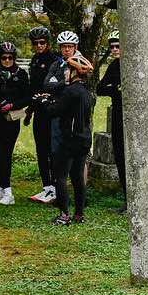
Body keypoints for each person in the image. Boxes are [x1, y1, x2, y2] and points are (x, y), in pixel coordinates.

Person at [44, 30, 95, 225]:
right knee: (77, 177)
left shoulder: (70, 91)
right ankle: (79, 214)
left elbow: (54, 111)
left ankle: (64, 215)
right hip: (84, 138)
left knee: (60, 176)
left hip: (69, 139)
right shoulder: (86, 93)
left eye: (69, 70)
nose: (66, 72)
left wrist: (44, 102)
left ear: (74, 71)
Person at [0, 41, 30, 205]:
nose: (7, 61)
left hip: (11, 120)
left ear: (14, 58)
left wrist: (12, 105)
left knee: (5, 154)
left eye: (10, 58)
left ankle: (8, 191)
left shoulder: (21, 74)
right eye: (4, 58)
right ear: (0, 58)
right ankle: (0, 190)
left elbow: (26, 97)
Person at [25, 26, 64, 204]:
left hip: (51, 109)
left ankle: (55, 187)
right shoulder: (35, 60)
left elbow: (57, 85)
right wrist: (29, 110)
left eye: (42, 42)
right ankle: (46, 186)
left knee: (51, 149)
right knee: (40, 149)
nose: (39, 46)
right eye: (35, 43)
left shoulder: (55, 60)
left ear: (48, 43)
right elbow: (32, 87)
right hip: (38, 110)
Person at [94, 33, 127, 213]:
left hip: (132, 115)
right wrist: (115, 89)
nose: (114, 49)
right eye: (112, 47)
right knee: (119, 156)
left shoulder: (131, 64)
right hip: (117, 113)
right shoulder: (113, 66)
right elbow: (100, 88)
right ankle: (127, 200)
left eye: (117, 46)